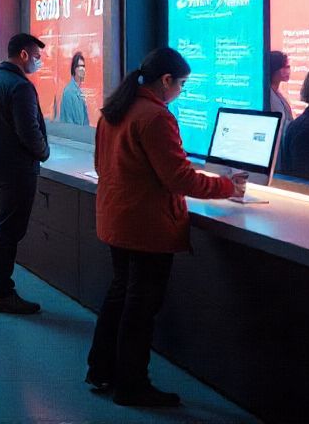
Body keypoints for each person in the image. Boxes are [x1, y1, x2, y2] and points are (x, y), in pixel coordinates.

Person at [86, 47, 244, 407]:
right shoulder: (155, 117)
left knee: (120, 297)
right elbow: (178, 177)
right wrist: (228, 187)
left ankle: (101, 370)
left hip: (118, 220)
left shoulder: (114, 111)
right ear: (166, 81)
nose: (181, 92)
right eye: (182, 85)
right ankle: (131, 384)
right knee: (140, 309)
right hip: (146, 228)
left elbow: (102, 164)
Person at [0, 33, 49, 315]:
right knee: (8, 229)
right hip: (16, 170)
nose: (38, 62)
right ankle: (2, 292)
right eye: (37, 56)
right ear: (23, 55)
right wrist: (43, 152)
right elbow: (29, 132)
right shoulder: (20, 88)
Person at [59, 51, 90, 125]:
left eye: (83, 66)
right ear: (74, 69)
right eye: (79, 66)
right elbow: (69, 122)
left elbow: (85, 121)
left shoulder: (79, 92)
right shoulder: (69, 92)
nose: (82, 69)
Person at [267, 50, 294, 134]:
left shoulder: (279, 92)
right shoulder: (266, 95)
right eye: (284, 67)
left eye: (288, 67)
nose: (287, 71)